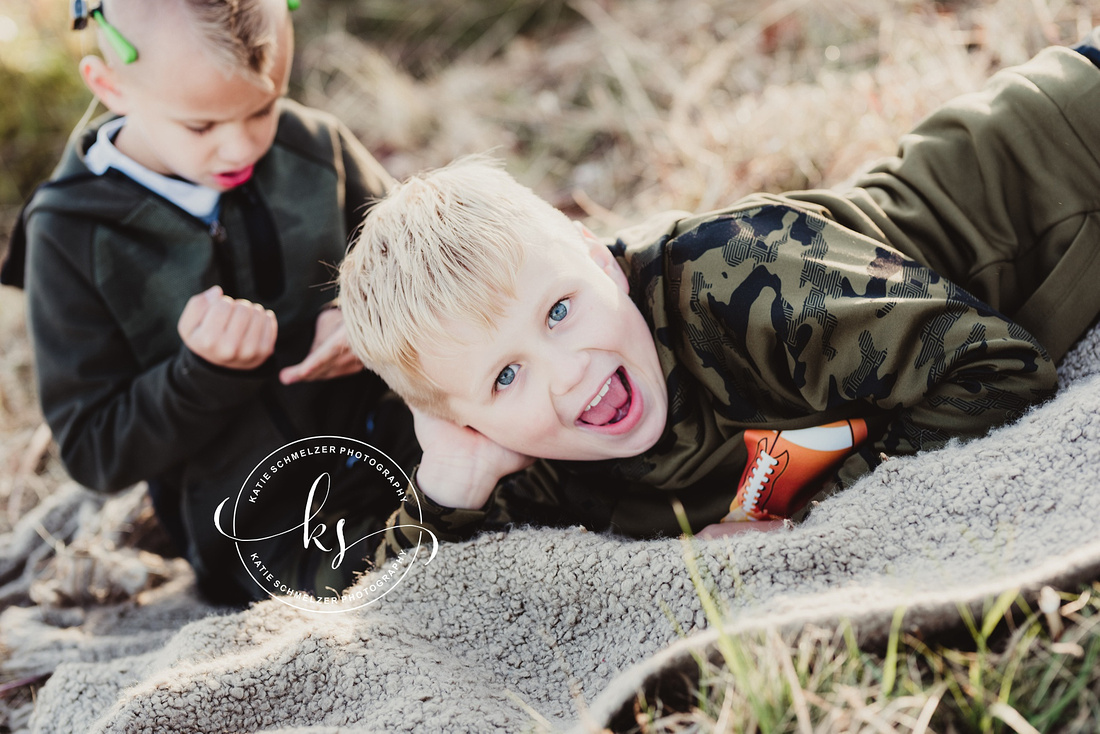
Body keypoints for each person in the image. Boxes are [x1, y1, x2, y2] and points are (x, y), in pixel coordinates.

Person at [338, 35, 1100, 559]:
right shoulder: (532, 451)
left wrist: (794, 515)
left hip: (1066, 155)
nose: (565, 372)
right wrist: (448, 487)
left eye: (559, 311)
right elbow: (408, 607)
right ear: (469, 419)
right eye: (506, 376)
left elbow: (997, 367)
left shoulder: (729, 280)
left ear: (597, 260)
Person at [0, 0, 417, 603]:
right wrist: (203, 375)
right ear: (109, 85)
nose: (241, 148)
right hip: (265, 521)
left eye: (263, 108)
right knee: (380, 591)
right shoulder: (70, 236)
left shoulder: (313, 146)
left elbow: (416, 257)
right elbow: (95, 450)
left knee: (521, 484)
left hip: (399, 429)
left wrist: (366, 313)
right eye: (201, 127)